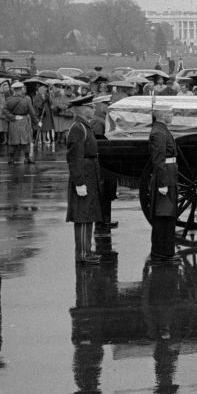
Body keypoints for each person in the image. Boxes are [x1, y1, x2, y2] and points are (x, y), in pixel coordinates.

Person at [66, 94, 103, 265]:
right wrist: (79, 182)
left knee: (88, 214)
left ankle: (87, 251)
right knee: (82, 216)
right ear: (82, 109)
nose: (93, 110)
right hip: (84, 175)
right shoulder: (78, 128)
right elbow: (74, 158)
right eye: (91, 107)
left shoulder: (84, 127)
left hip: (90, 173)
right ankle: (82, 254)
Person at [148, 102, 179, 263]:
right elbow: (158, 160)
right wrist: (162, 183)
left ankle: (166, 252)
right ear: (162, 114)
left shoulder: (162, 130)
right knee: (163, 216)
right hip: (165, 176)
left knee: (168, 215)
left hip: (168, 174)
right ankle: (161, 253)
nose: (172, 115)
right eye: (170, 113)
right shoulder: (159, 133)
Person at [89, 95, 118, 235]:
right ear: (98, 106)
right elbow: (98, 145)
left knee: (107, 194)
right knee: (102, 194)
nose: (108, 107)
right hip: (102, 164)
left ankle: (106, 220)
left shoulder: (103, 120)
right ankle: (101, 222)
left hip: (107, 163)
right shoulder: (97, 122)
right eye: (105, 104)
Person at [4, 81, 33, 164]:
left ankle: (11, 159)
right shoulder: (26, 99)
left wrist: (13, 117)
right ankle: (27, 158)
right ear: (21, 89)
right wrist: (37, 122)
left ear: (14, 90)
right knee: (26, 141)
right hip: (24, 120)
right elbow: (32, 112)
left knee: (13, 141)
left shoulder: (9, 99)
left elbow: (4, 110)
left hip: (14, 121)